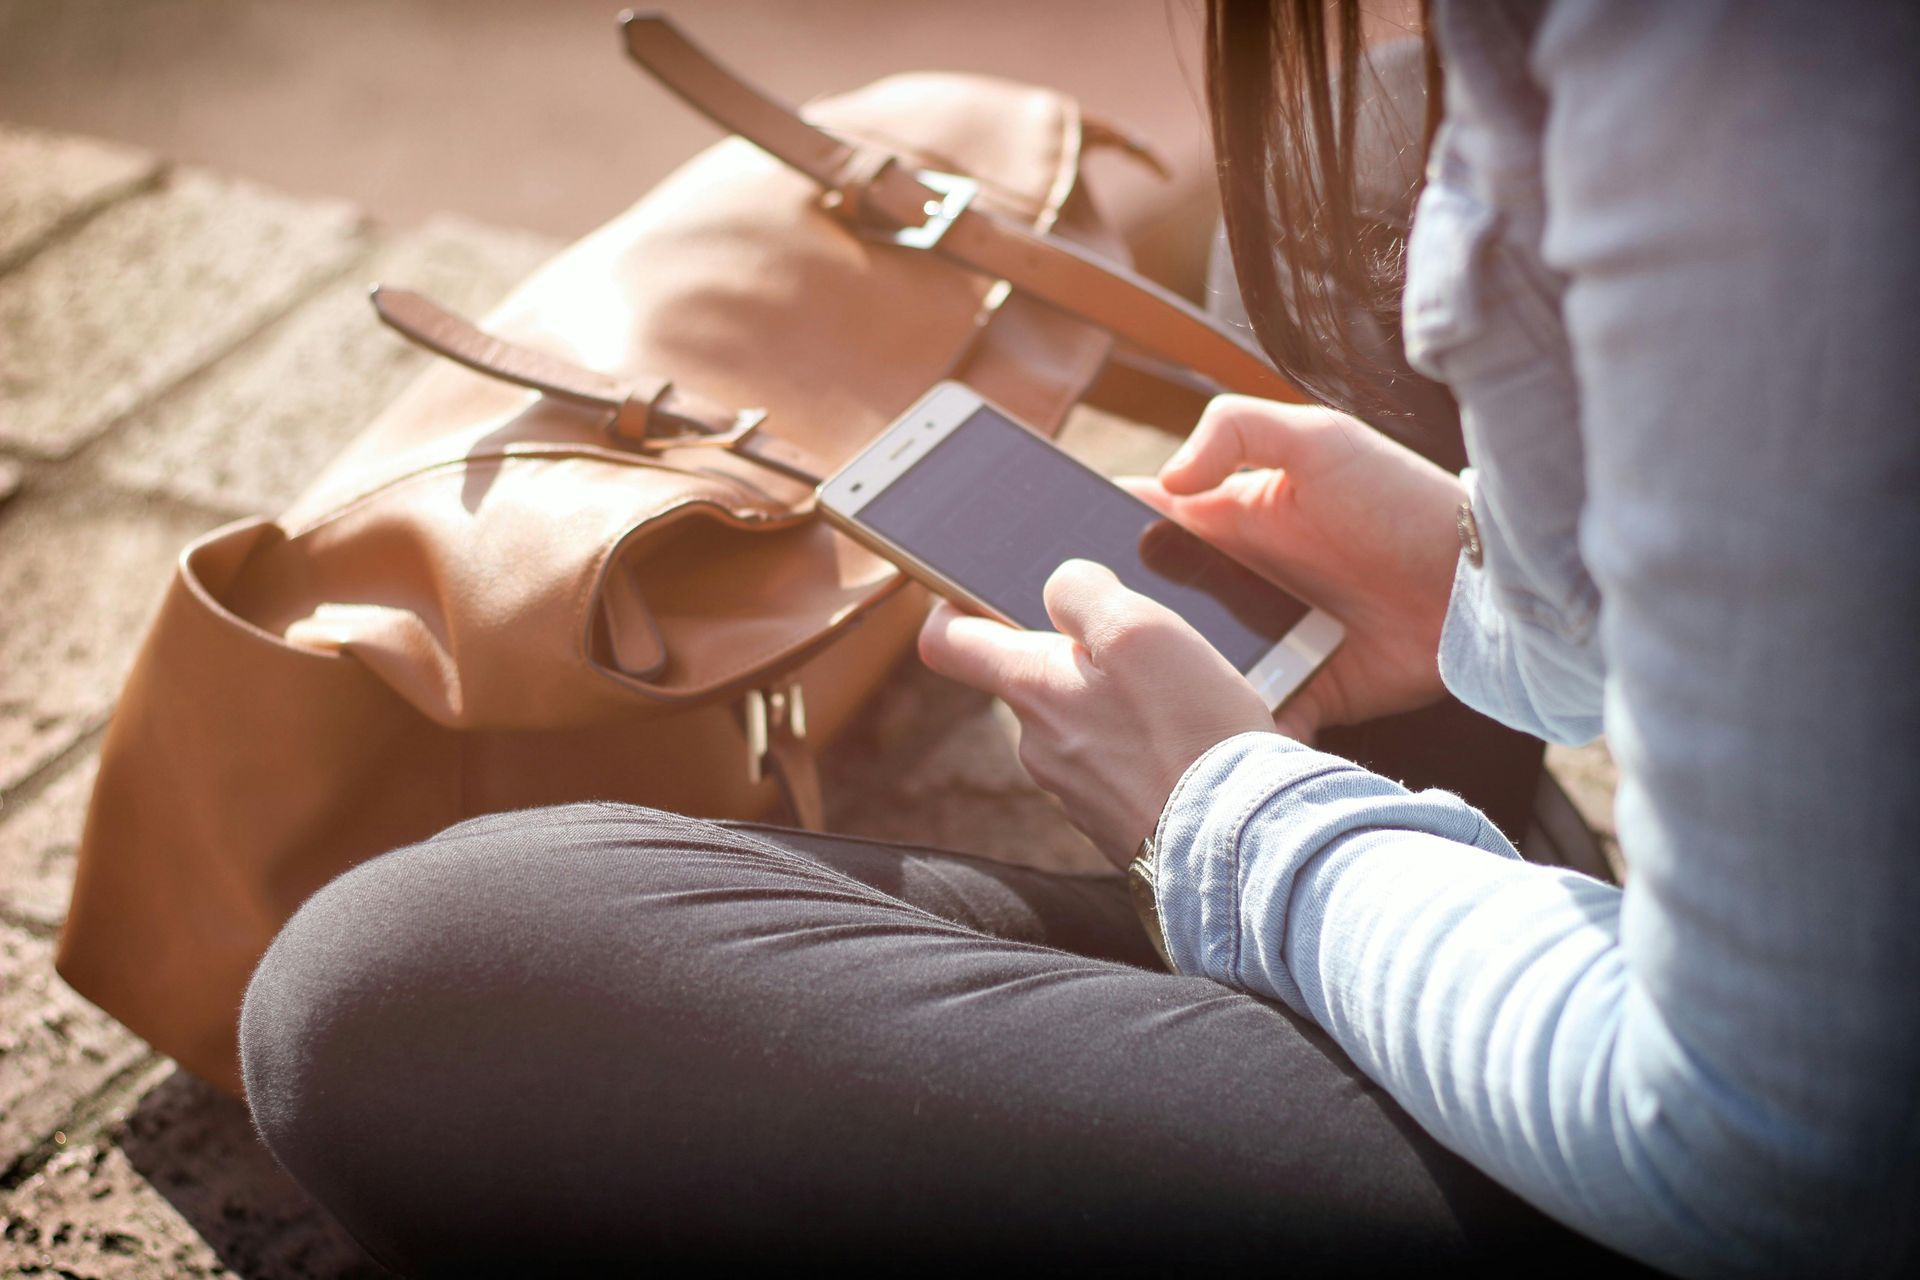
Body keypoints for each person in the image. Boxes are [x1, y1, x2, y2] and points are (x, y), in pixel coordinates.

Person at [237, 2, 1918, 1275]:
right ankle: (1458, 888)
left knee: (411, 990)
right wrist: (1499, 605)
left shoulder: (1739, 116)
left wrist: (1238, 823)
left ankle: (1399, 910)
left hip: (1755, 1176)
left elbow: (1782, 1153)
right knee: (1354, 152)